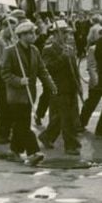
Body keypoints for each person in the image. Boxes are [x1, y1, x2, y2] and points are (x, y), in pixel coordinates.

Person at [1, 21, 57, 166]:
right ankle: (33, 152)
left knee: (21, 123)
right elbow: (5, 73)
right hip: (16, 95)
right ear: (21, 36)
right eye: (30, 33)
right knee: (23, 125)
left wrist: (50, 84)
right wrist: (19, 81)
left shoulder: (34, 50)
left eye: (33, 32)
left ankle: (14, 150)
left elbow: (42, 70)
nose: (33, 35)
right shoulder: (10, 51)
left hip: (29, 94)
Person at [39, 20, 83, 155]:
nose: (66, 35)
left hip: (70, 87)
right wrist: (62, 57)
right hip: (58, 87)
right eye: (63, 32)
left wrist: (79, 85)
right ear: (55, 33)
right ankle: (70, 145)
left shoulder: (69, 48)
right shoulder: (48, 49)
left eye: (67, 32)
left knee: (61, 117)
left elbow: (74, 69)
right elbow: (48, 68)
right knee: (66, 117)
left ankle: (47, 136)